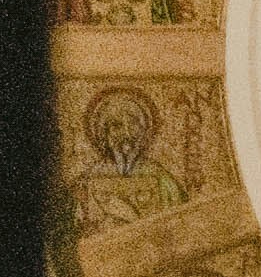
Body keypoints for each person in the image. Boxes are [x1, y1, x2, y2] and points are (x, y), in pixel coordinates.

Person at [66, 88, 187, 233]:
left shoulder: (162, 179)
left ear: (143, 131)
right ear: (104, 135)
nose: (127, 134)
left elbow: (182, 227)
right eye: (116, 126)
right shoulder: (85, 185)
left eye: (133, 124)